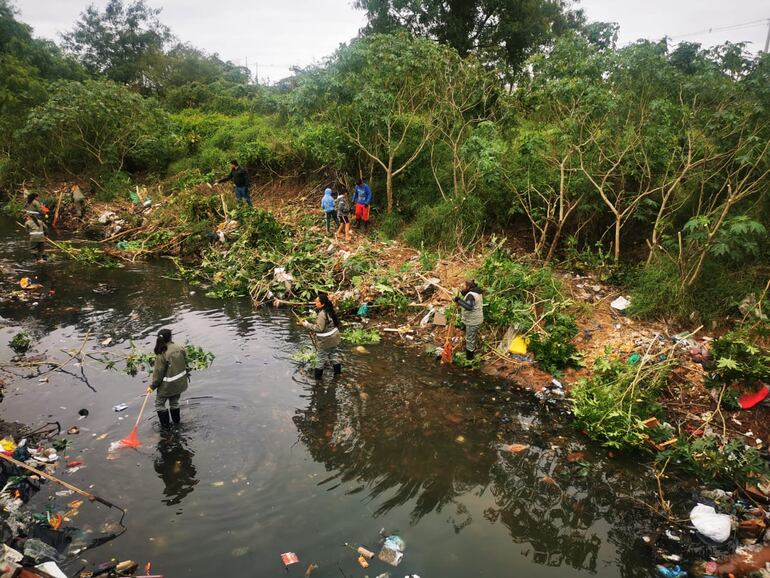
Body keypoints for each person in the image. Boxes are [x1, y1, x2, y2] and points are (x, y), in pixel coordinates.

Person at [146, 329, 189, 429]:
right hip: (180, 383)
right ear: (170, 337)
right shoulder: (180, 347)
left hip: (167, 386)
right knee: (174, 403)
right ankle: (177, 424)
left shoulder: (161, 353)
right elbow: (186, 363)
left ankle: (166, 429)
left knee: (159, 405)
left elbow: (158, 372)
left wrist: (153, 386)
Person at [302, 292, 342, 380]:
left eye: (317, 302)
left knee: (320, 359)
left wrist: (307, 324)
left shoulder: (322, 314)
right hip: (334, 338)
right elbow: (328, 325)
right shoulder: (329, 310)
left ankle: (317, 382)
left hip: (326, 341)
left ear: (322, 304)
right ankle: (338, 375)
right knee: (334, 355)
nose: (315, 303)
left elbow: (319, 329)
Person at [453, 279, 484, 360]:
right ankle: (471, 352)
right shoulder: (477, 292)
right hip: (477, 319)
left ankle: (469, 358)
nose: (463, 287)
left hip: (473, 321)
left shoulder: (471, 295)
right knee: (471, 337)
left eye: (464, 286)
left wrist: (458, 301)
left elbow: (469, 307)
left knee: (470, 339)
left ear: (468, 287)